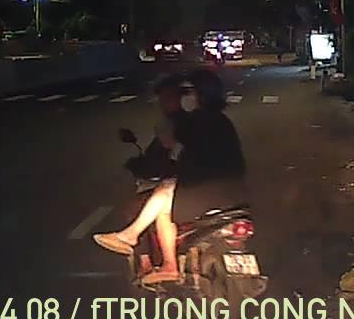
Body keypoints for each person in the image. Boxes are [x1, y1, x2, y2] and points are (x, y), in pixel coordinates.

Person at [94, 70, 247, 285]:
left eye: (188, 92)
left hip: (206, 192)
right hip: (235, 193)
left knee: (164, 201)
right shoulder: (222, 121)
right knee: (167, 190)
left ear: (200, 94)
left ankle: (165, 262)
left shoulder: (192, 122)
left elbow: (172, 150)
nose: (185, 97)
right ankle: (138, 242)